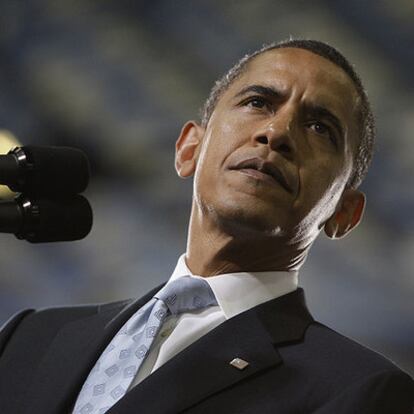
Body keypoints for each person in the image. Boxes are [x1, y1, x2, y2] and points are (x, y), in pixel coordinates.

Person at [0, 39, 413, 413]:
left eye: (319, 128)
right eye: (258, 102)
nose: (276, 132)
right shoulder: (29, 337)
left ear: (344, 213)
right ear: (188, 149)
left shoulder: (360, 392)